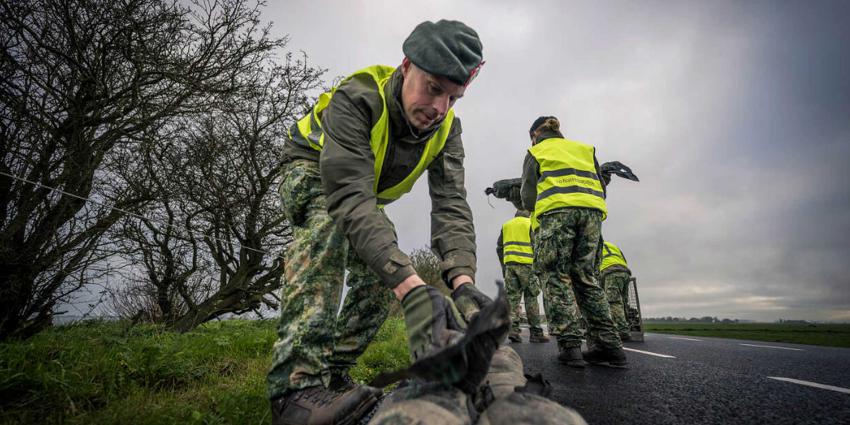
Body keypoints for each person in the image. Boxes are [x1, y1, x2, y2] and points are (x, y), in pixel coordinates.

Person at [267, 20, 493, 424]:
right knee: (330, 225)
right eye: (434, 89)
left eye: (453, 98)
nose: (440, 108)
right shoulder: (356, 98)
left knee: (385, 265)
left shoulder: (447, 131)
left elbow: (452, 205)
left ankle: (332, 374)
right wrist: (413, 291)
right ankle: (295, 392)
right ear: (406, 67)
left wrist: (463, 282)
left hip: (360, 195)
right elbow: (348, 198)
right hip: (313, 173)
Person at [519, 116, 627, 368]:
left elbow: (528, 199)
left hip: (557, 215)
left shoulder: (535, 152)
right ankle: (609, 346)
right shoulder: (585, 150)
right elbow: (601, 188)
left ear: (534, 134)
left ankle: (570, 346)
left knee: (557, 277)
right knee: (586, 278)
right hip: (592, 215)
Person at [496, 210, 549, 343]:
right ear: (528, 215)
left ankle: (513, 331)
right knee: (531, 297)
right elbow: (537, 245)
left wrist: (504, 266)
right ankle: (536, 333)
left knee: (512, 299)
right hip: (527, 266)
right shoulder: (530, 223)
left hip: (510, 266)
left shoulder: (506, 225)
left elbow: (499, 247)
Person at [598, 240, 633, 341]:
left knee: (613, 302)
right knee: (623, 301)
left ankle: (622, 331)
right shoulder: (612, 245)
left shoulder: (595, 245)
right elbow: (623, 259)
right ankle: (627, 326)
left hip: (610, 271)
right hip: (624, 271)